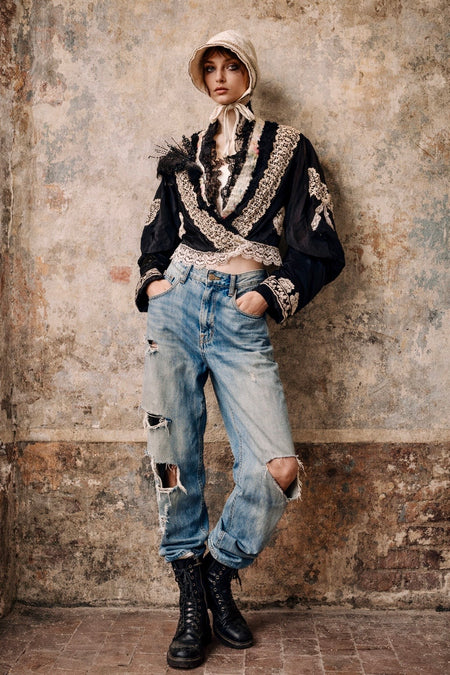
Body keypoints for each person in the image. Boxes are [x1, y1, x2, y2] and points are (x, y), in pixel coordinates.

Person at [135, 30, 345, 670]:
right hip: (177, 305)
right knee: (173, 457)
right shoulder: (182, 154)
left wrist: (270, 293)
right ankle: (190, 599)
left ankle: (217, 573)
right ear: (201, 77)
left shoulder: (289, 147)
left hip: (240, 309)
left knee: (278, 466)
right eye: (211, 68)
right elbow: (157, 233)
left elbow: (320, 242)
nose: (220, 77)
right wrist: (155, 281)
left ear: (248, 73)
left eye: (231, 66)